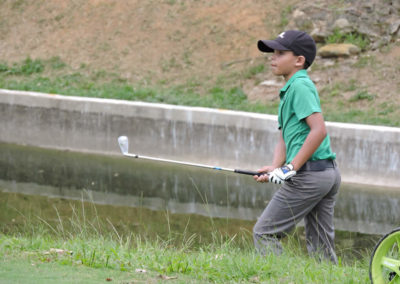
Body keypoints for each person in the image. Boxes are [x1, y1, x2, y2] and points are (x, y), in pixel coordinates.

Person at [252, 30, 341, 264]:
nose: (273, 58)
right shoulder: (290, 89)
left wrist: (290, 167)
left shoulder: (300, 86)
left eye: (280, 53)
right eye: (273, 53)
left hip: (310, 176)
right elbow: (284, 135)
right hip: (325, 173)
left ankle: (277, 278)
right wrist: (275, 166)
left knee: (264, 233)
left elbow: (319, 130)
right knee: (320, 245)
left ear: (299, 60)